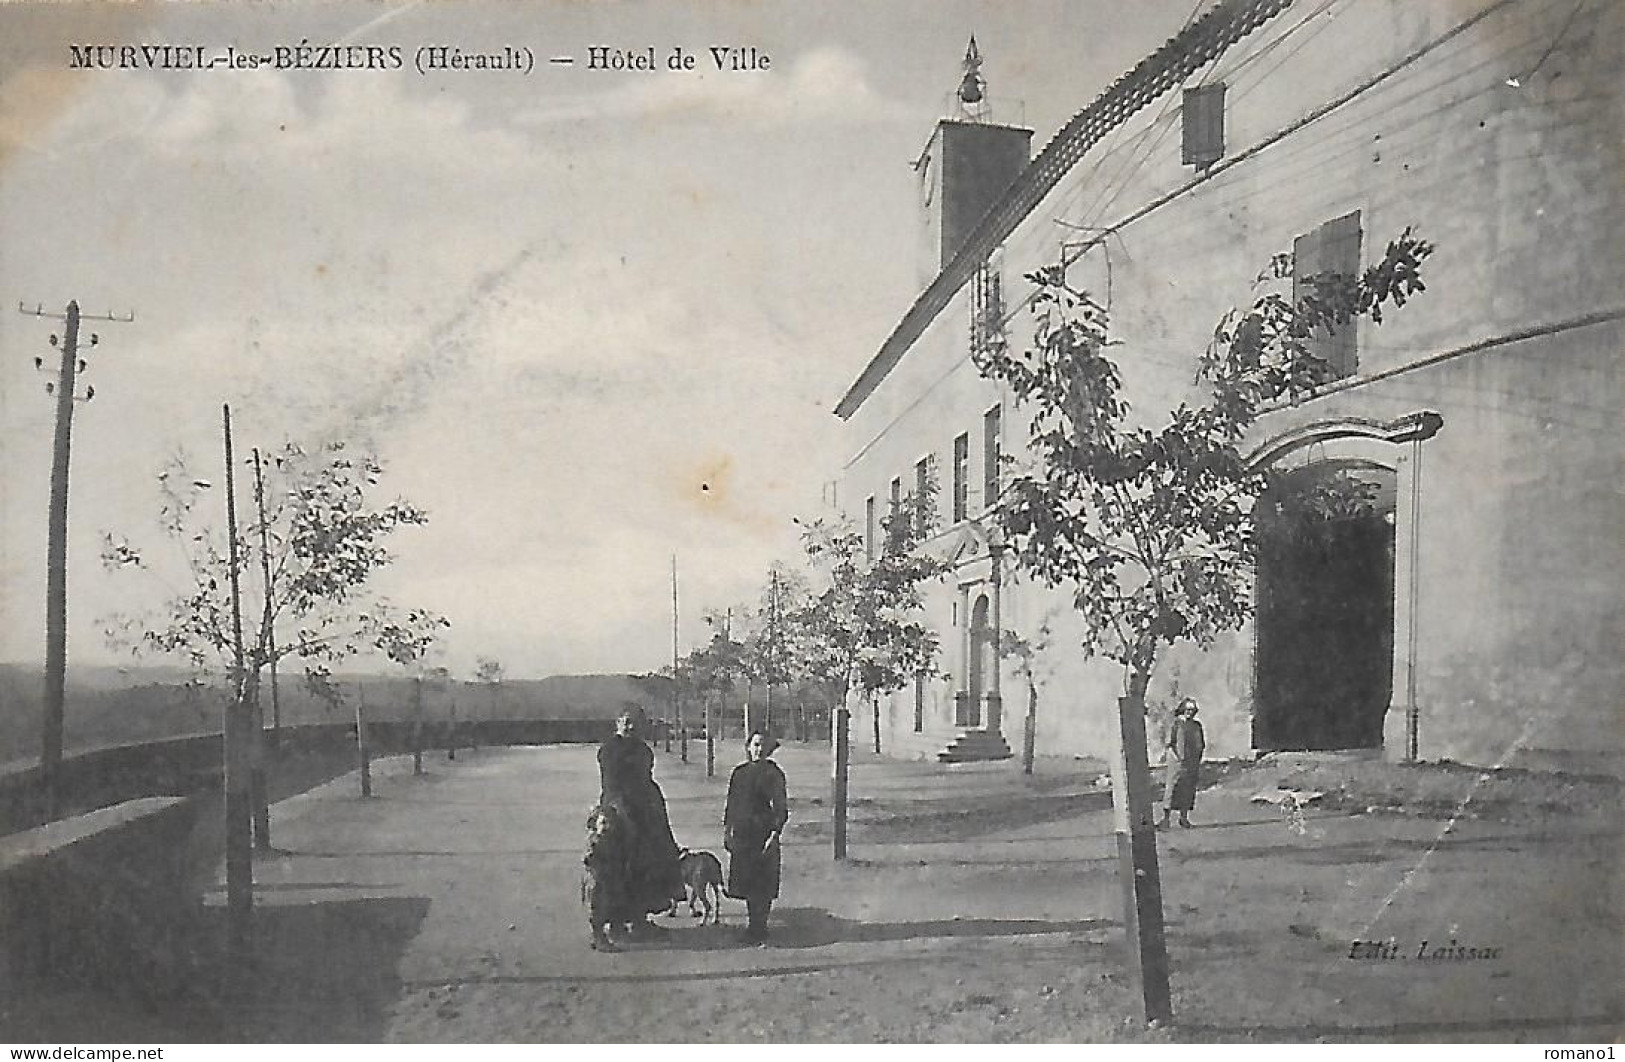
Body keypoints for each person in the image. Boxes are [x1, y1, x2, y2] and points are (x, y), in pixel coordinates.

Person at [597, 705, 683, 940]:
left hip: (646, 813)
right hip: (619, 813)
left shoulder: (644, 750)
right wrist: (622, 814)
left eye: (636, 722)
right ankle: (615, 923)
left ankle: (639, 919)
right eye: (626, 721)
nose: (631, 726)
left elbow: (646, 779)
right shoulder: (609, 750)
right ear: (617, 722)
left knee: (646, 866)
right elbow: (612, 785)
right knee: (618, 868)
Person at [723, 731, 789, 945]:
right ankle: (753, 925)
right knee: (747, 880)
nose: (759, 749)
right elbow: (731, 804)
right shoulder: (739, 773)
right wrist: (727, 830)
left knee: (763, 883)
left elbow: (780, 807)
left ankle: (759, 928)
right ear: (748, 746)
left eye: (763, 745)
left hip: (763, 833)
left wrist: (775, 834)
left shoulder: (774, 774)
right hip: (743, 834)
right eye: (756, 745)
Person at [1160, 698, 1206, 829]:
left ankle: (1183, 818)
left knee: (1188, 789)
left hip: (1192, 763)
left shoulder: (1197, 726)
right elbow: (1170, 742)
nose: (1190, 713)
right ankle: (1166, 819)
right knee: (1172, 788)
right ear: (1183, 709)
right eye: (1187, 710)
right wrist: (1177, 758)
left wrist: (1197, 758)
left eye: (1192, 710)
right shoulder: (1176, 724)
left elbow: (1201, 744)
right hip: (1177, 762)